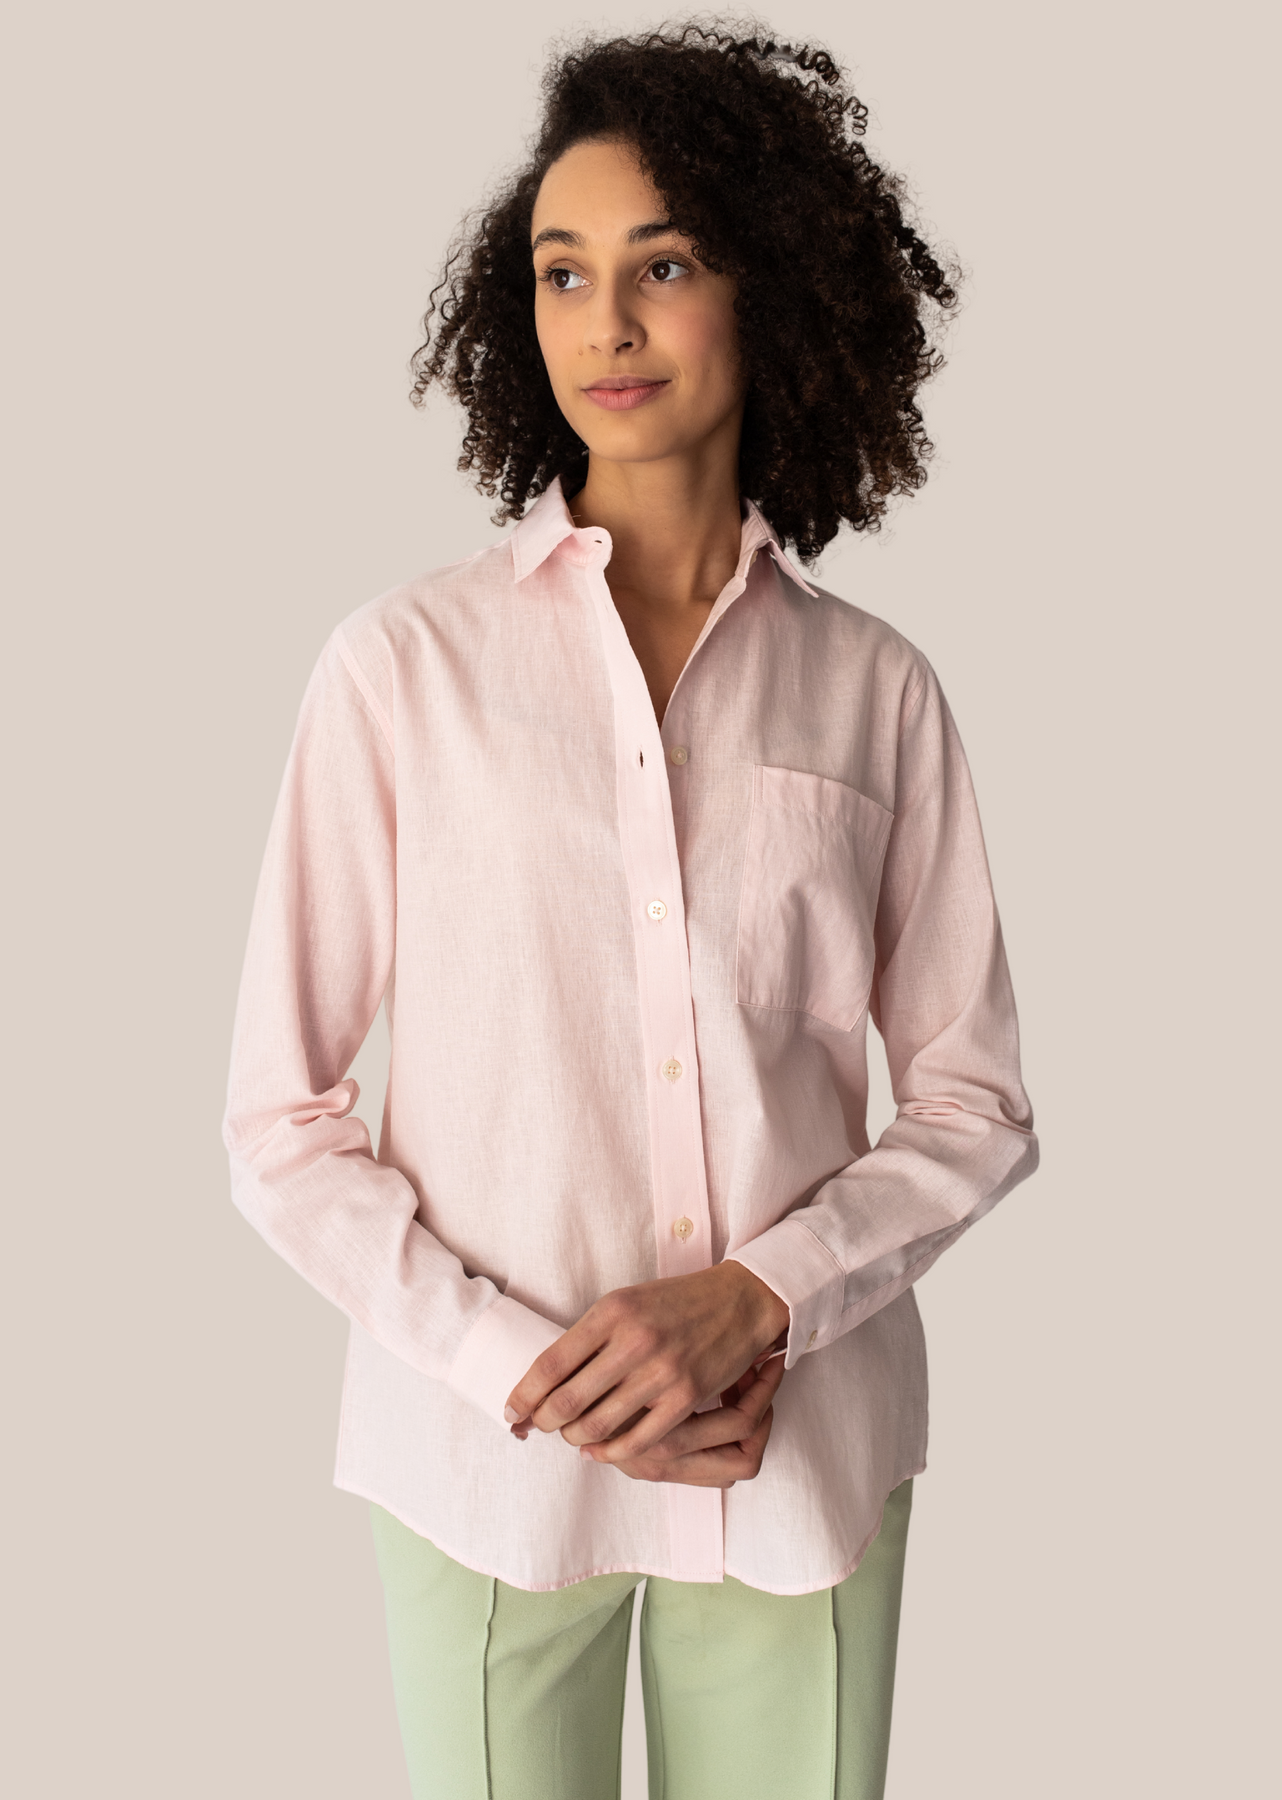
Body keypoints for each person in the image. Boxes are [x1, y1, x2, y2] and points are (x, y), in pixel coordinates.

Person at [223, 24, 1038, 1799]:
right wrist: (522, 1367)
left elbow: (973, 1104)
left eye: (662, 266)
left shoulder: (877, 693)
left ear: (773, 288)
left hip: (804, 1454)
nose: (605, 322)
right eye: (564, 271)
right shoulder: (401, 672)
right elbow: (280, 1125)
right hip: (487, 1471)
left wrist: (762, 1299)